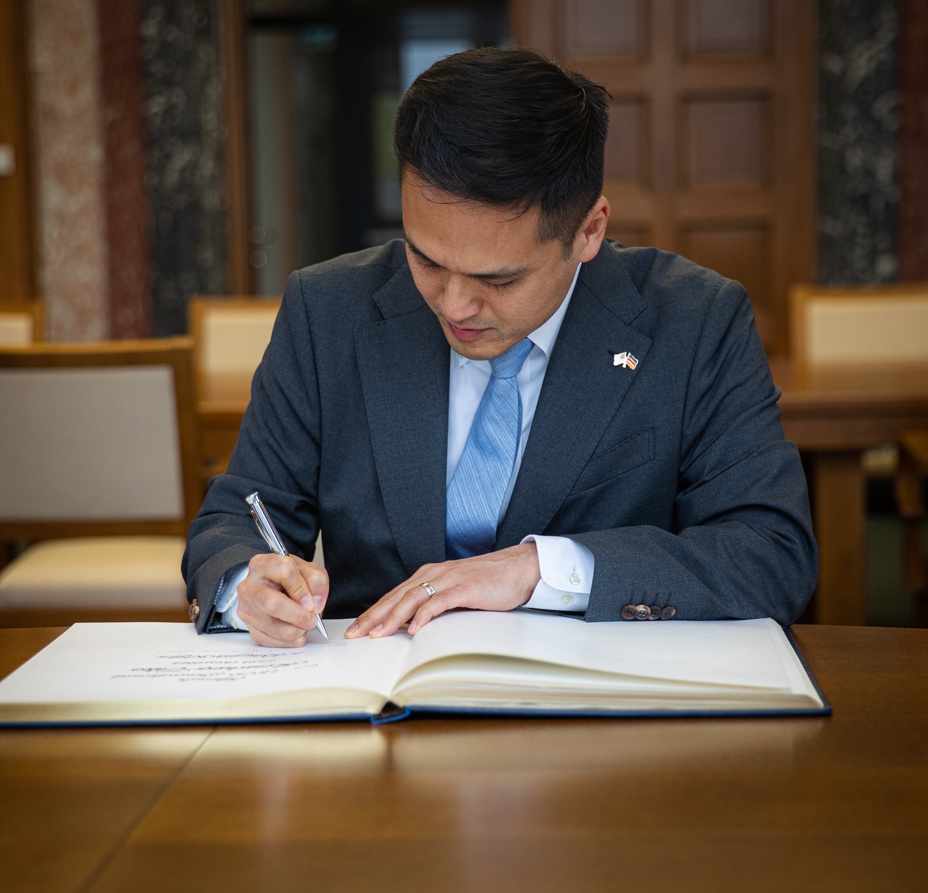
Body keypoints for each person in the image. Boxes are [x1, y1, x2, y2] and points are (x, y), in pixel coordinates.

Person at [182, 46, 818, 647]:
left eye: (499, 279)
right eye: (425, 259)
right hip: (381, 701)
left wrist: (542, 569)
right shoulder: (329, 311)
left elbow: (770, 553)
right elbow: (238, 519)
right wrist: (250, 587)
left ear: (589, 231)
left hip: (602, 719)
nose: (454, 305)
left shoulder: (694, 320)